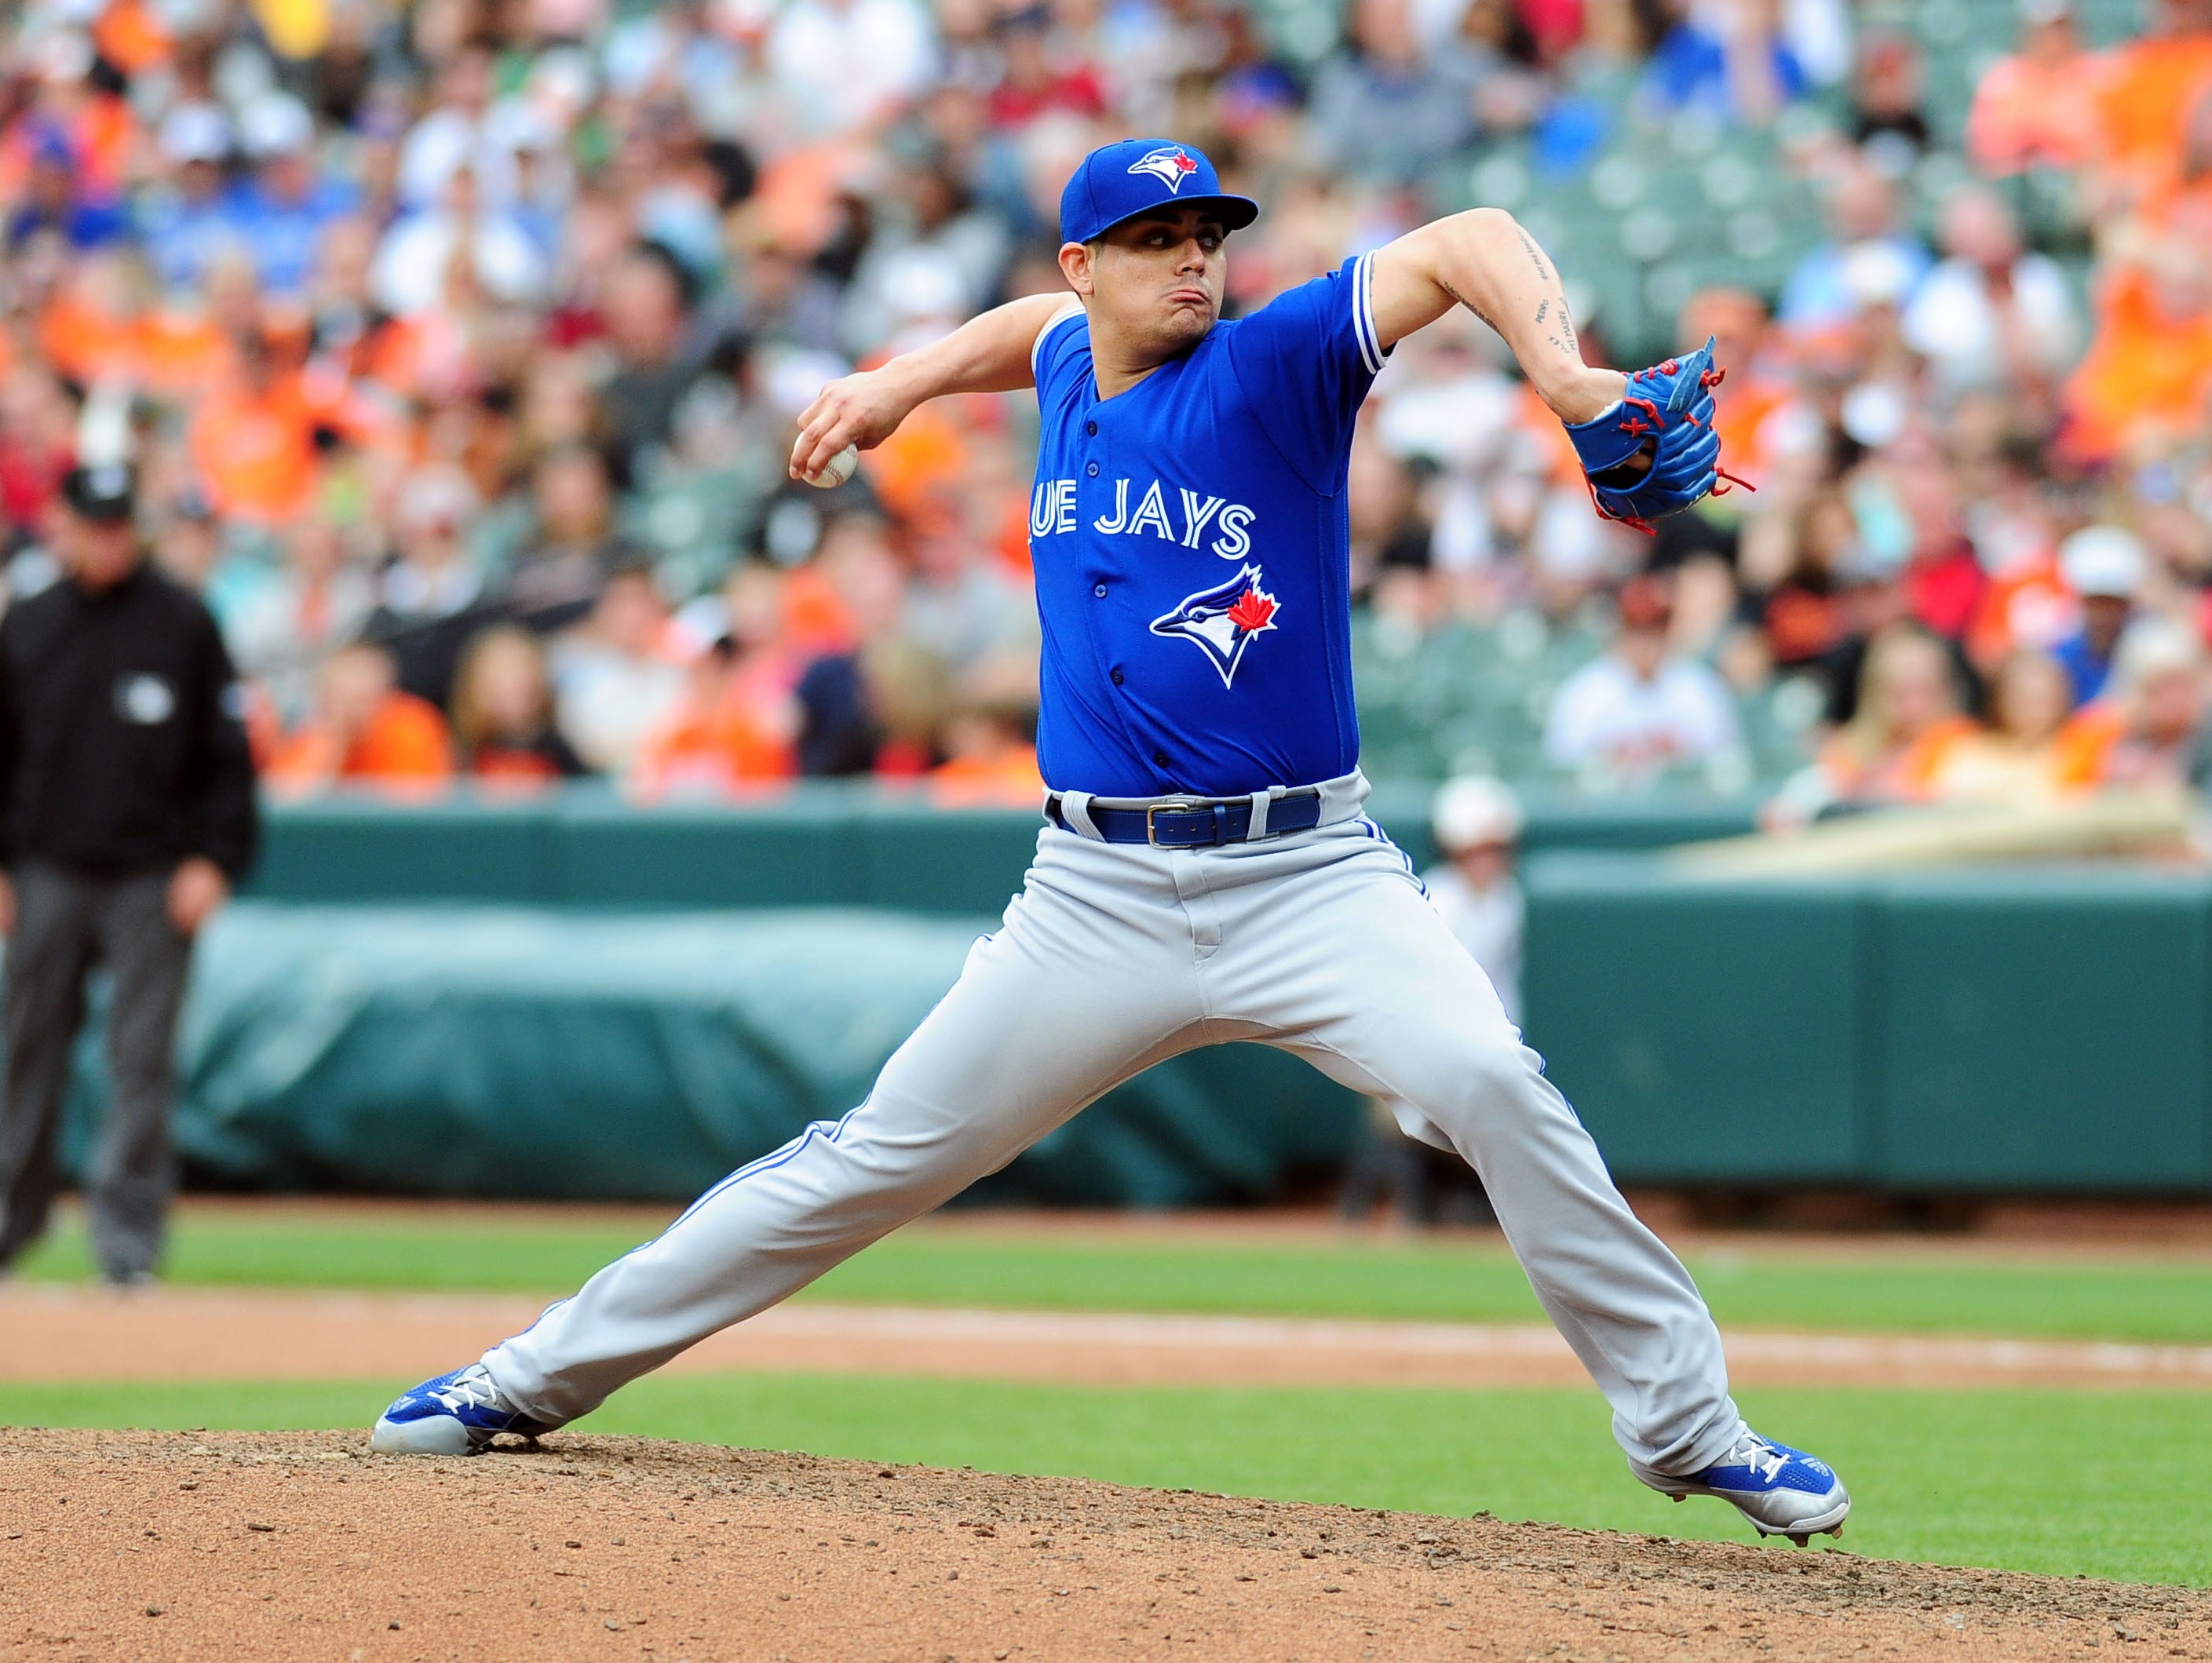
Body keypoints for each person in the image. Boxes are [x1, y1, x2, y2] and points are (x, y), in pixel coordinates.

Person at [371, 137, 1849, 1548]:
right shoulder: (1074, 352)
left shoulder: (1274, 367)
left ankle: (1684, 1424)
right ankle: (526, 1376)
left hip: (1304, 875)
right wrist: (902, 380)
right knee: (867, 1158)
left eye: (1206, 235)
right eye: (1154, 242)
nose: (1193, 262)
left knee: (1486, 1078)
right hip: (1091, 896)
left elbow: (1460, 244)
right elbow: (1029, 329)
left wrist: (1567, 370)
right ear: (1089, 264)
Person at [0, 464, 258, 1285]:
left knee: (141, 1058)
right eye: (95, 523)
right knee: (26, 1047)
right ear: (63, 525)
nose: (109, 539)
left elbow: (228, 758)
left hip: (152, 873)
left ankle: (126, 1243)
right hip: (46, 868)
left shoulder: (183, 621)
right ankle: (11, 1220)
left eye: (120, 524)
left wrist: (214, 859)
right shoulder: (30, 624)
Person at [1543, 574, 1744, 786]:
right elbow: (1561, 772)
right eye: (1635, 630)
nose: (1645, 642)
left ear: (1667, 631)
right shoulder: (1585, 693)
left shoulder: (1700, 688)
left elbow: (1726, 766)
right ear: (1620, 633)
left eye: (1653, 630)